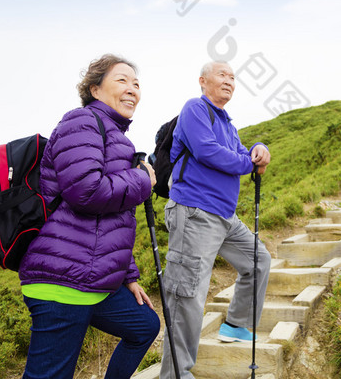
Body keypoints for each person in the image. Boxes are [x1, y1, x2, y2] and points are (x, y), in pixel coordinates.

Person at [19, 54, 161, 379]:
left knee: (144, 326)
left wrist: (129, 276)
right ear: (95, 90)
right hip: (63, 278)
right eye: (122, 80)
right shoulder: (81, 122)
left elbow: (111, 223)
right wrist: (143, 179)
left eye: (136, 84)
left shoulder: (118, 138)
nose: (132, 89)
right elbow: (86, 192)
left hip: (94, 279)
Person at [159, 60, 272, 379]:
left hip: (224, 217)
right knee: (187, 294)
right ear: (203, 81)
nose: (229, 81)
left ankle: (236, 325)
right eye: (222, 75)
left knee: (259, 261)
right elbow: (207, 151)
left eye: (233, 77)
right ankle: (176, 375)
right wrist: (249, 163)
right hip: (194, 213)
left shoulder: (227, 122)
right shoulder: (194, 109)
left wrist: (258, 149)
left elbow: (241, 152)